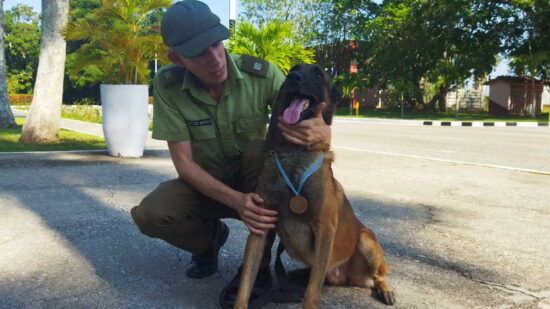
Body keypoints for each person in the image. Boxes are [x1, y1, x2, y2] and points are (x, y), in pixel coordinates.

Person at [130, 0, 331, 301]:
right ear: (177, 58)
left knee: (256, 150)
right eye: (199, 52)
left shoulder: (261, 75)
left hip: (259, 180)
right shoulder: (167, 85)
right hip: (206, 182)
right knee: (150, 214)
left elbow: (308, 108)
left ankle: (259, 267)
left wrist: (324, 130)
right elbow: (184, 164)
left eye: (215, 43)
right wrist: (236, 201)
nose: (215, 58)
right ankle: (209, 243)